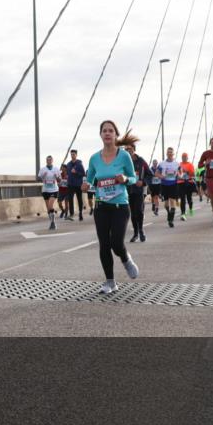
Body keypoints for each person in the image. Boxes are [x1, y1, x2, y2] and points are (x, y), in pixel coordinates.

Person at [82, 121, 139, 295]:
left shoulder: (124, 156)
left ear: (115, 135)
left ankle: (126, 259)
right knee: (104, 244)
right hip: (101, 206)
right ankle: (110, 282)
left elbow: (134, 178)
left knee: (116, 243)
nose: (107, 133)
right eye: (104, 131)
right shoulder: (94, 158)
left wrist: (126, 179)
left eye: (111, 131)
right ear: (100, 135)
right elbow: (90, 180)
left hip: (120, 206)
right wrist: (86, 185)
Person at [125, 143, 151, 243]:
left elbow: (150, 174)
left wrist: (143, 182)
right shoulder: (123, 162)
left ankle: (141, 231)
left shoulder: (141, 161)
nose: (128, 151)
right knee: (133, 213)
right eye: (126, 149)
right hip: (127, 191)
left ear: (134, 149)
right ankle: (135, 234)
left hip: (139, 190)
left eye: (130, 149)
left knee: (139, 211)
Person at [157, 147, 181, 228]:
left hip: (173, 184)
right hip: (164, 184)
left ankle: (171, 220)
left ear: (173, 154)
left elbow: (181, 172)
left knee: (172, 201)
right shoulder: (162, 163)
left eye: (171, 152)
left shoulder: (176, 163)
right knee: (166, 204)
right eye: (168, 152)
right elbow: (156, 173)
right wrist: (161, 176)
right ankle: (168, 212)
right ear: (166, 153)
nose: (170, 153)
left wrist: (179, 175)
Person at [38, 156, 62, 230]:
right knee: (48, 208)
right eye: (48, 160)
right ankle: (52, 222)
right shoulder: (43, 169)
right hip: (45, 190)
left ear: (52, 161)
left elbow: (60, 180)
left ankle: (53, 222)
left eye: (50, 160)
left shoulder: (56, 169)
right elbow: (39, 178)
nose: (49, 161)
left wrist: (57, 177)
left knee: (50, 206)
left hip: (54, 189)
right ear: (46, 161)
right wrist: (43, 176)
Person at [64, 149, 86, 221]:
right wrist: (67, 176)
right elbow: (68, 173)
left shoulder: (79, 164)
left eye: (74, 154)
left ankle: (80, 213)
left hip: (78, 185)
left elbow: (83, 174)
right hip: (70, 185)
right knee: (70, 199)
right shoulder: (68, 164)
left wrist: (76, 172)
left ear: (76, 155)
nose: (72, 155)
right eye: (71, 154)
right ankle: (71, 214)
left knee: (79, 199)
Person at [177, 152, 196, 220]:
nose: (184, 158)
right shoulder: (179, 164)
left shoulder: (190, 165)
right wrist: (180, 174)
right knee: (182, 198)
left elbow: (193, 174)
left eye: (185, 157)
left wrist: (186, 172)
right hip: (181, 182)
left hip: (188, 182)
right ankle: (183, 213)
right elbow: (177, 173)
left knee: (189, 198)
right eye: (183, 157)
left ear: (187, 158)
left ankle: (190, 209)